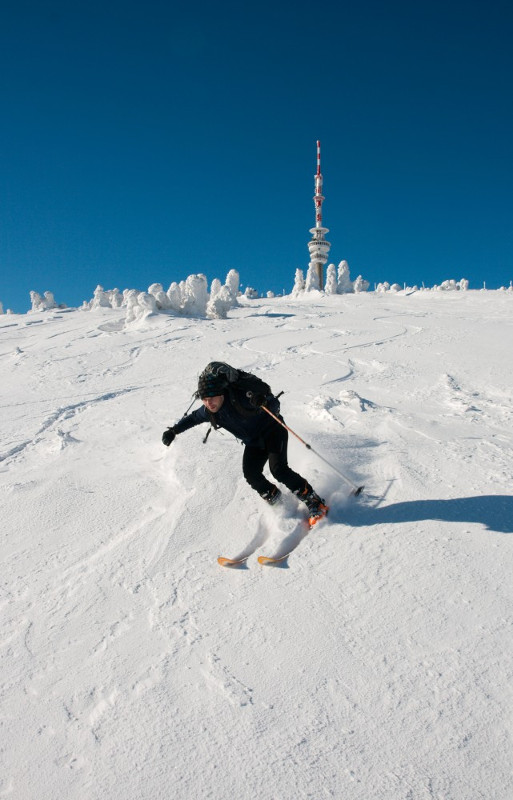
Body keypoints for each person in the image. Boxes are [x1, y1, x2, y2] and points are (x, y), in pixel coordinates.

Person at [162, 362, 328, 523]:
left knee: (278, 470)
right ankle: (278, 501)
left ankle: (314, 501)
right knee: (251, 474)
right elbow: (193, 418)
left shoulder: (241, 397)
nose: (208, 403)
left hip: (273, 431)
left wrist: (263, 402)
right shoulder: (209, 411)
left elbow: (274, 403)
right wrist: (173, 431)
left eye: (211, 398)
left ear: (221, 394)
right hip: (254, 442)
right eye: (204, 399)